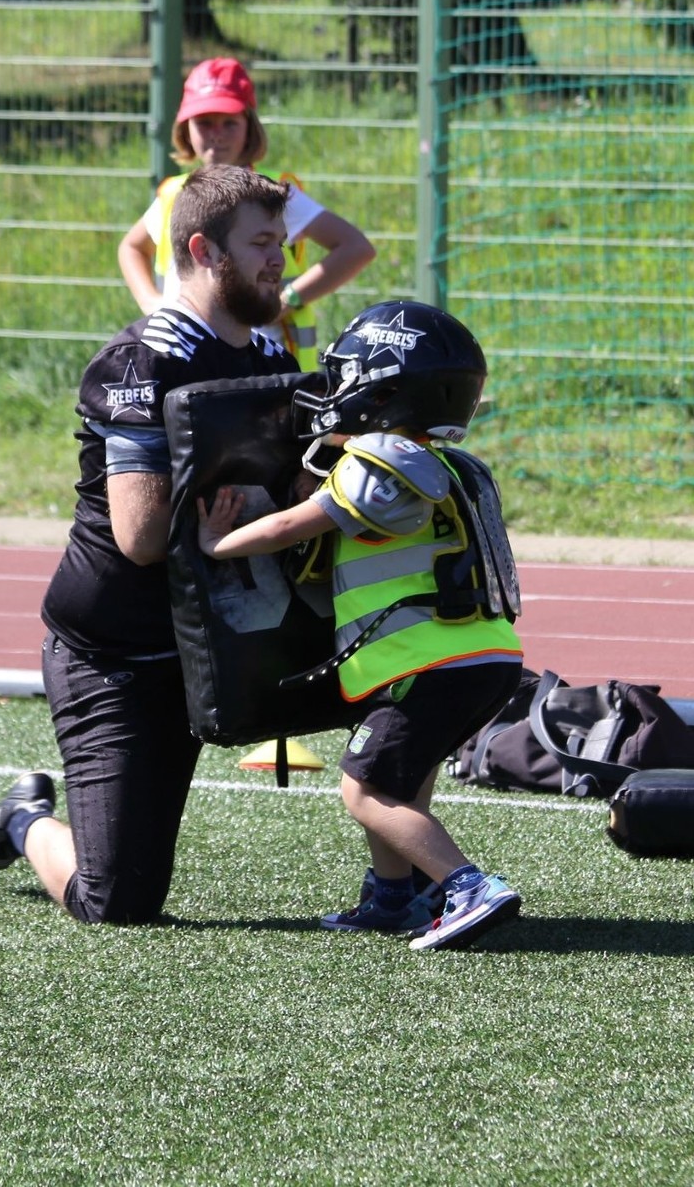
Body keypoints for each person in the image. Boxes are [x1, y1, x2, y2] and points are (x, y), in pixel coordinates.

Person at [0, 165, 300, 925]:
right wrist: (248, 524)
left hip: (200, 648)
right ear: (202, 249)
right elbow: (143, 537)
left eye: (280, 241)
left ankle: (401, 884)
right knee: (116, 900)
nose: (279, 259)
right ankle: (24, 818)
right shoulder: (142, 363)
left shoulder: (269, 357)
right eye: (261, 243)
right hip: (113, 653)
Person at [197, 300, 525, 952]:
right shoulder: (452, 466)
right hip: (480, 656)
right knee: (399, 786)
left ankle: (467, 887)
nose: (336, 387)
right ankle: (394, 895)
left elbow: (299, 523)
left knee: (365, 790)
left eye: (348, 373)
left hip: (424, 663)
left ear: (381, 386)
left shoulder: (381, 459)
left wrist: (217, 543)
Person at [117, 56, 376, 371]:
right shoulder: (174, 194)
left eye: (229, 122)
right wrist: (151, 303)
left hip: (266, 364)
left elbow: (356, 247)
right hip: (186, 359)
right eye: (204, 123)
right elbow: (131, 247)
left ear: (250, 125)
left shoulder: (271, 193)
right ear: (185, 128)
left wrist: (289, 298)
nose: (217, 134)